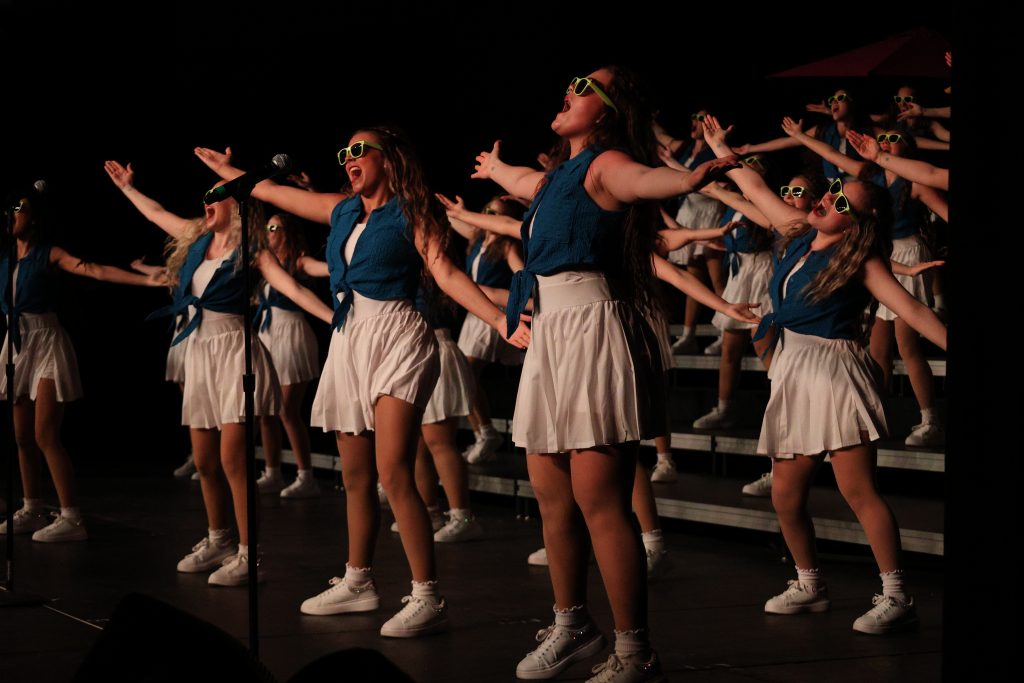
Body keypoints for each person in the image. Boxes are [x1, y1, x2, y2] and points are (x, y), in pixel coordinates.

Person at [195, 126, 527, 636]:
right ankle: (359, 580)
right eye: (344, 152)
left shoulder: (413, 211)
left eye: (359, 150)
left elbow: (446, 274)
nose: (348, 158)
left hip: (398, 333)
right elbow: (266, 190)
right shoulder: (344, 210)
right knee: (355, 476)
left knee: (393, 469)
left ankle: (428, 596)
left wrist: (499, 318)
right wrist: (227, 171)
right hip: (351, 339)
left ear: (389, 159)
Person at [470, 67, 738, 681]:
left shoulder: (606, 163)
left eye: (584, 86)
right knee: (550, 493)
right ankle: (572, 625)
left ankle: (634, 649)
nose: (568, 88)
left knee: (600, 500)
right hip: (554, 333)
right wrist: (493, 169)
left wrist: (689, 177)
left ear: (608, 112)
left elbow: (644, 180)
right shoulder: (557, 177)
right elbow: (522, 179)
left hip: (592, 328)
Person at [702, 114, 947, 635]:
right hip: (793, 368)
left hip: (835, 371)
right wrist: (724, 148)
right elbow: (754, 186)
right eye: (830, 192)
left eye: (840, 202)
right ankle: (810, 584)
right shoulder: (794, 234)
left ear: (856, 223)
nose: (825, 200)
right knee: (784, 495)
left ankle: (898, 594)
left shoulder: (862, 260)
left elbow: (916, 312)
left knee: (859, 491)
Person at [104, 160, 332, 585]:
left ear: (237, 205)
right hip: (200, 352)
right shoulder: (196, 240)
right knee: (205, 460)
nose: (206, 202)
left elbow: (295, 288)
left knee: (232, 460)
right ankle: (218, 539)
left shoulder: (254, 251)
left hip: (235, 351)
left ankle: (249, 554)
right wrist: (128, 188)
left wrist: (335, 320)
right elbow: (156, 214)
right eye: (205, 197)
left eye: (215, 196)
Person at [1, 186, 166, 542]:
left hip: (46, 341)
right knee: (21, 437)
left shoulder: (49, 253)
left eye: (21, 208)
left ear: (34, 217)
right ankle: (31, 507)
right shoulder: (6, 259)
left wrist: (146, 279)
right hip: (16, 343)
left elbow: (95, 270)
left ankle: (72, 517)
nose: (14, 214)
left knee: (45, 433)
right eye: (11, 208)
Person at [253, 212, 322, 498]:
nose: (268, 232)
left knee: (287, 410)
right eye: (267, 227)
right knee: (266, 410)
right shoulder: (264, 264)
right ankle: (272, 472)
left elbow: (322, 268)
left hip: (292, 333)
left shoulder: (299, 260)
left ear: (287, 232)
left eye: (274, 227)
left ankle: (306, 476)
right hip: (268, 335)